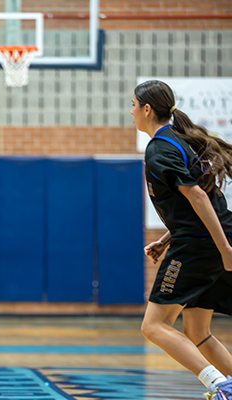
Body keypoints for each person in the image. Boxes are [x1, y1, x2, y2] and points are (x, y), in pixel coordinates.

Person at [134, 79, 232, 400]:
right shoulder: (179, 140)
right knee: (196, 330)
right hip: (212, 237)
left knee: (154, 325)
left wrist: (225, 249)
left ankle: (219, 385)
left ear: (147, 109)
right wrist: (165, 240)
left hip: (202, 245)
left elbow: (199, 196)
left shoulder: (159, 148)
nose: (131, 112)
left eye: (133, 106)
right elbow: (189, 206)